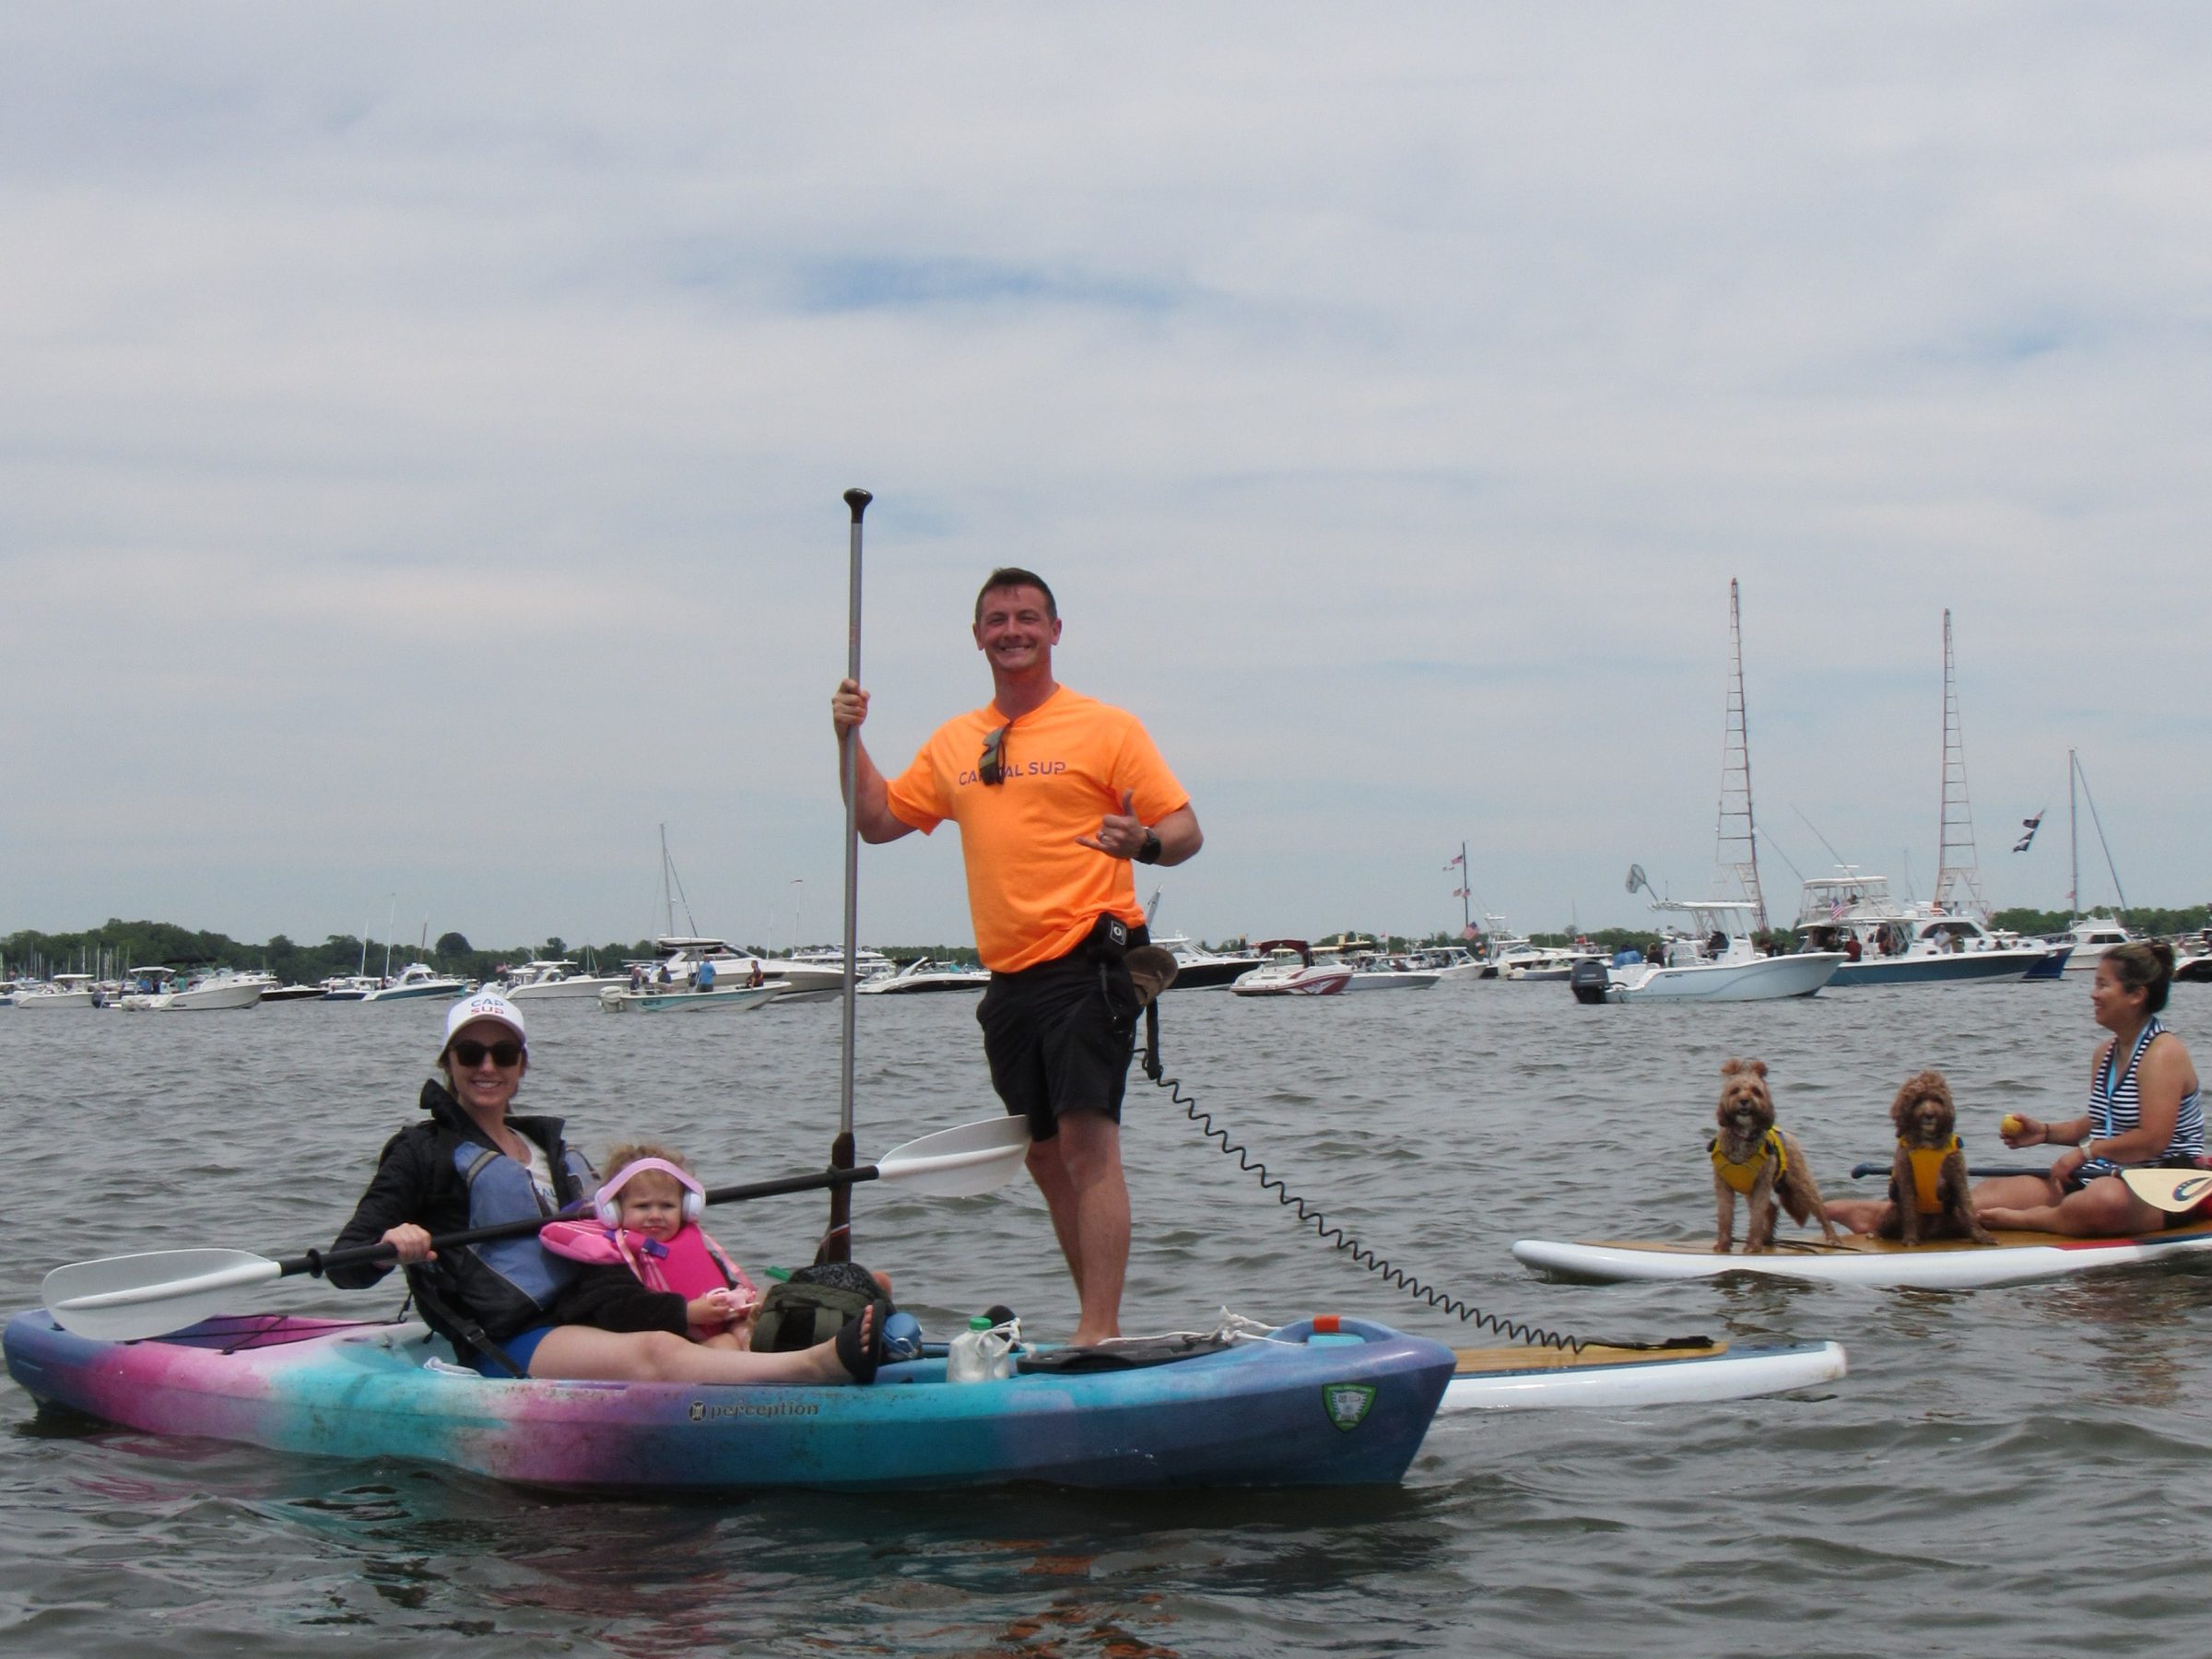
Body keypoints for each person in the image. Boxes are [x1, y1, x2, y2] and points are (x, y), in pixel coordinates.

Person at [830, 567, 1201, 1346]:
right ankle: (1092, 1320)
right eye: (997, 619)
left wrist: (1148, 842)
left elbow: (1186, 831)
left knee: (1087, 1142)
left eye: (1028, 617)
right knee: (1042, 1158)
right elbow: (875, 821)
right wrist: (848, 736)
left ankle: (1098, 1331)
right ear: (977, 636)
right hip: (1009, 979)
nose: (1012, 631)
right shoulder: (957, 743)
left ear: (1055, 630)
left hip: (1092, 962)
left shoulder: (1108, 728)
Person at [327, 991, 882, 1383]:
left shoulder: (550, 1147)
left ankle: (828, 1331)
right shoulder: (422, 1152)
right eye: (471, 1054)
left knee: (729, 1318)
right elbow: (345, 1265)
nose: (487, 1066)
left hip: (600, 1305)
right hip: (510, 1334)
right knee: (657, 1350)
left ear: (522, 1065)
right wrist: (393, 1244)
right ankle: (812, 1369)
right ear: (449, 1063)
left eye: (504, 1054)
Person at [1974, 942, 2204, 1235]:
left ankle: (2028, 1221)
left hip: (2164, 1189)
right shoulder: (2105, 1053)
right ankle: (1919, 1217)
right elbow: (2095, 1125)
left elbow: (2152, 1140)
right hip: (2102, 1176)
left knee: (2104, 1200)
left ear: (2136, 995)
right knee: (1991, 1192)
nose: (2093, 994)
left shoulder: (2163, 1053)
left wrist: (2085, 1154)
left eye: (2103, 985)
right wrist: (2043, 1132)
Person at [539, 1144, 763, 1349]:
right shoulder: (611, 1259)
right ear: (614, 1210)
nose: (655, 1215)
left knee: (749, 1328)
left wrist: (740, 1301)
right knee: (725, 1343)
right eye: (642, 1206)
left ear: (686, 1210)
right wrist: (685, 1312)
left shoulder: (696, 1252)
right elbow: (616, 1311)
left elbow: (720, 1283)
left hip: (700, 1343)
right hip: (652, 1352)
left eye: (667, 1206)